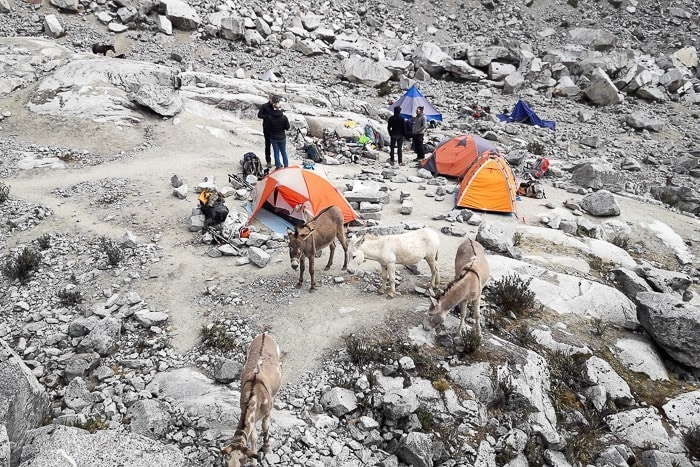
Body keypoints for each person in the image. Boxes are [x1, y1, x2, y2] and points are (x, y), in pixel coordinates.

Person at [263, 100, 290, 169]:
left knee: (276, 152)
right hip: (282, 137)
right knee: (283, 151)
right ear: (280, 108)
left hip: (273, 137)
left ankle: (278, 166)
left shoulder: (270, 117)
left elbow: (267, 127)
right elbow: (287, 127)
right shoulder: (284, 117)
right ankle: (286, 165)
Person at [257, 94, 279, 167]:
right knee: (268, 145)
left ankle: (277, 161)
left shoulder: (277, 106)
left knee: (276, 145)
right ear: (270, 100)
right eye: (273, 102)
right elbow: (259, 115)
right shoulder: (264, 106)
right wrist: (267, 117)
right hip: (267, 128)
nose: (274, 103)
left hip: (275, 128)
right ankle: (268, 161)